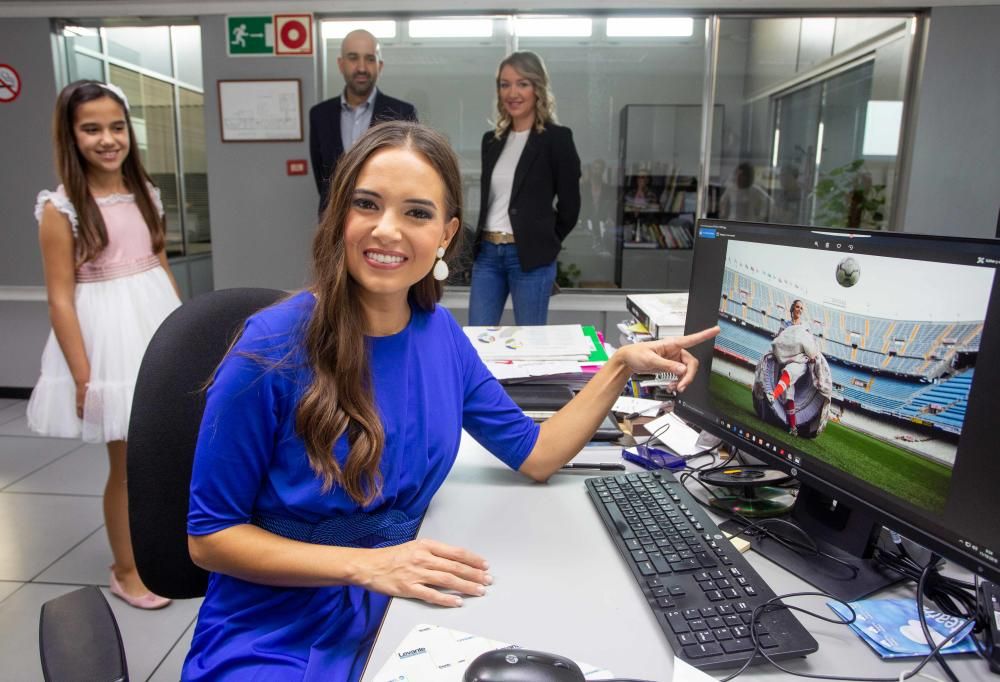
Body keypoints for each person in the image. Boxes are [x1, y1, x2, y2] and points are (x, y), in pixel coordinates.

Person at [182, 121, 718, 681]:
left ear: (446, 235)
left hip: (399, 605)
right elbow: (210, 538)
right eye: (367, 204)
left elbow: (536, 453)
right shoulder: (269, 345)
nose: (387, 230)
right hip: (276, 624)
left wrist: (619, 366)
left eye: (417, 213)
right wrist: (369, 565)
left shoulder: (441, 337)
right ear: (339, 215)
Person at [27, 80, 182, 609]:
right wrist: (82, 375)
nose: (107, 139)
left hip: (153, 324)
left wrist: (182, 332)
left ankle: (163, 548)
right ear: (71, 135)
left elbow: (160, 265)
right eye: (91, 128)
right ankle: (127, 567)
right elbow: (60, 300)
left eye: (116, 127)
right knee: (128, 463)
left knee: (162, 455)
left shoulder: (145, 193)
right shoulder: (61, 208)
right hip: (108, 340)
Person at [469, 51, 581, 326]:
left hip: (530, 259)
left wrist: (543, 241)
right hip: (488, 255)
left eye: (522, 83)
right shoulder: (491, 141)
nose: (512, 92)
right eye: (505, 84)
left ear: (538, 88)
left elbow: (570, 207)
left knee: (531, 344)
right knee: (476, 339)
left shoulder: (557, 139)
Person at [309, 29, 418, 214]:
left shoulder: (402, 114)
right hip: (333, 222)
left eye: (369, 59)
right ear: (341, 64)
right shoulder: (320, 115)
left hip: (385, 221)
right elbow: (322, 177)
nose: (361, 67)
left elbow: (408, 174)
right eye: (353, 58)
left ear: (380, 66)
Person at [766, 299, 818, 436]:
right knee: (789, 396)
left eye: (801, 308)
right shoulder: (785, 325)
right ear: (792, 309)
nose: (799, 310)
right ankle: (793, 427)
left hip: (800, 361)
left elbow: (810, 344)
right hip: (787, 360)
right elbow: (780, 341)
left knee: (790, 371)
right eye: (797, 307)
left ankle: (773, 395)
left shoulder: (805, 327)